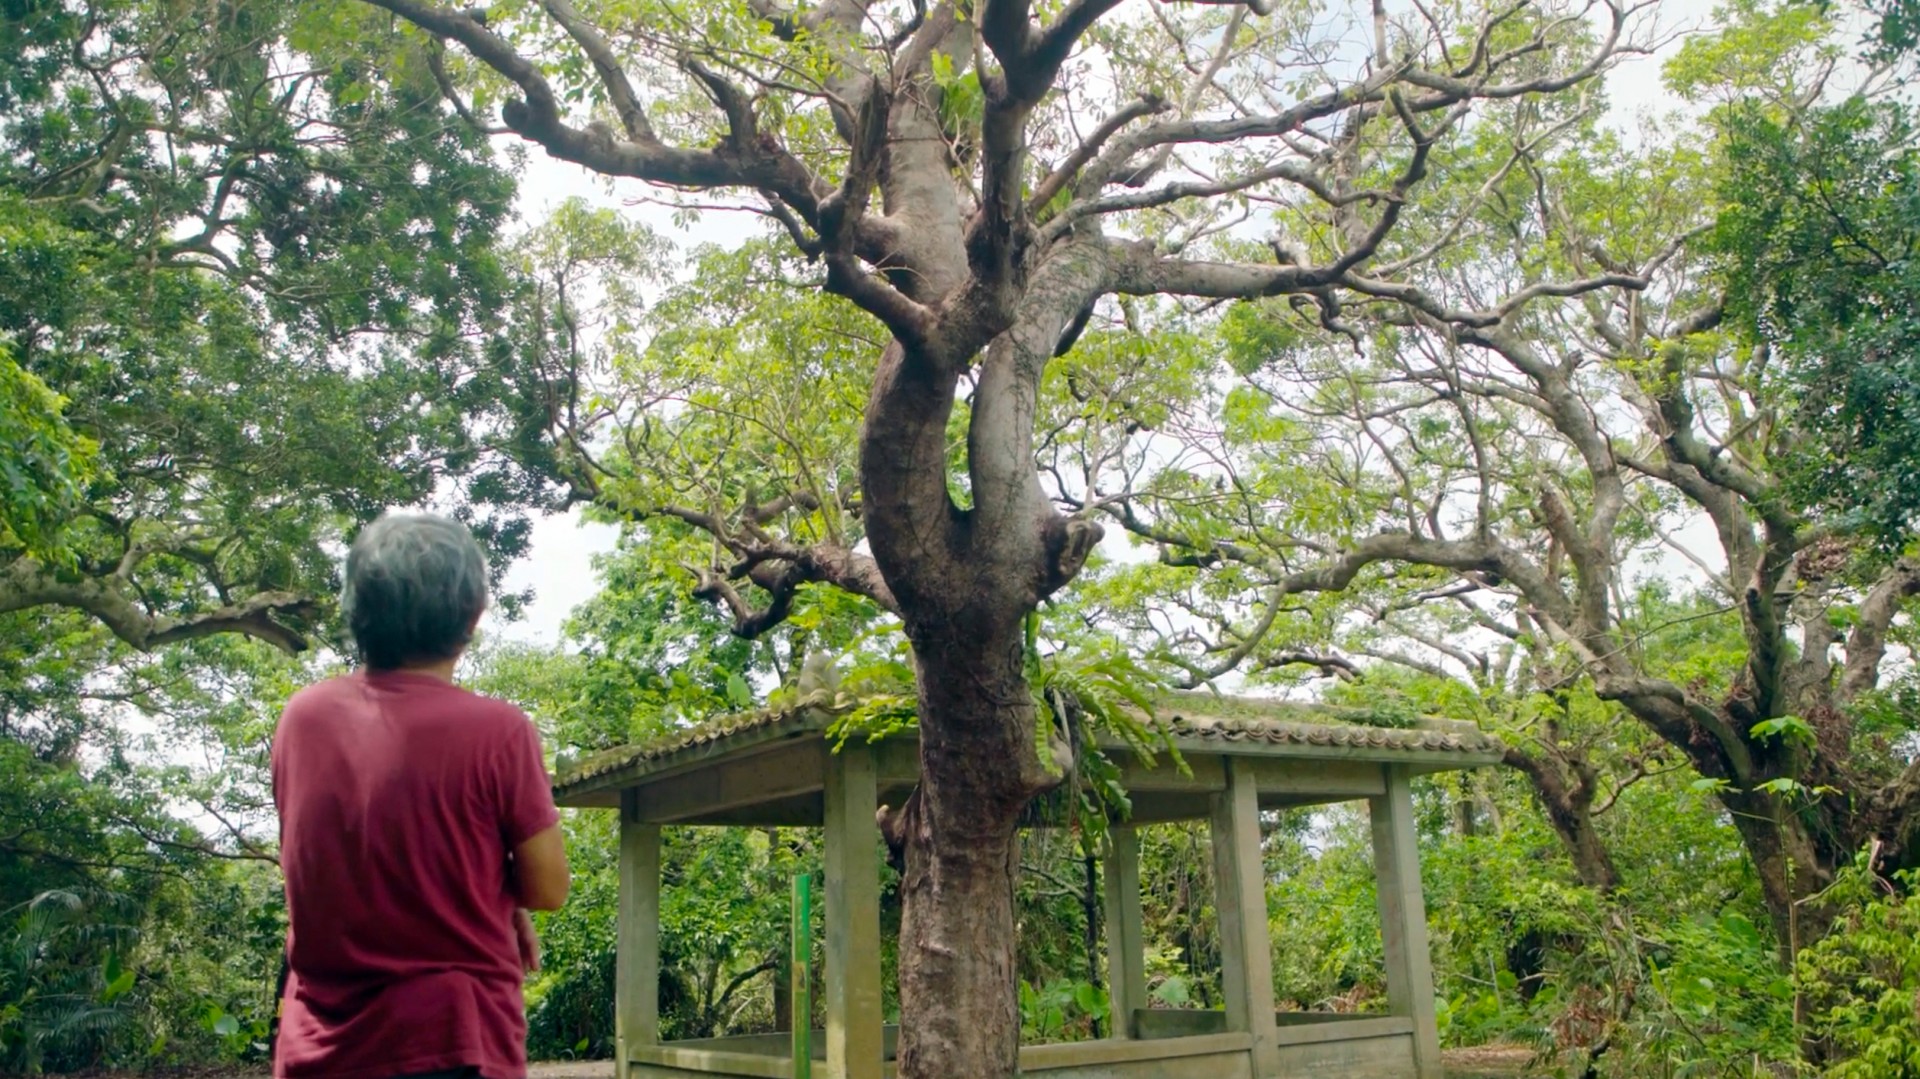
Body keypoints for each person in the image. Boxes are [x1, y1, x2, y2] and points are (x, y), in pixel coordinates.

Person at [272, 512, 569, 1079]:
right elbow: (549, 888)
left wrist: (489, 892)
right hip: (449, 1040)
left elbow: (343, 858)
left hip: (322, 1048)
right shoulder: (498, 731)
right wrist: (501, 896)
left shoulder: (302, 719)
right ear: (471, 614)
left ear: (356, 608)